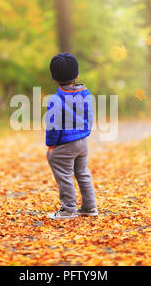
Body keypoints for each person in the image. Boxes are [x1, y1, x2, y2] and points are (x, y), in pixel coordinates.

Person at [45, 52, 98, 219]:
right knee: (82, 172)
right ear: (76, 74)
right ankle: (90, 207)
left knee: (64, 174)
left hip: (65, 144)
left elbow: (53, 126)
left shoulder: (56, 98)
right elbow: (89, 117)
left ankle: (68, 210)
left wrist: (51, 146)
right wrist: (85, 133)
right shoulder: (86, 94)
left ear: (54, 78)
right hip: (83, 142)